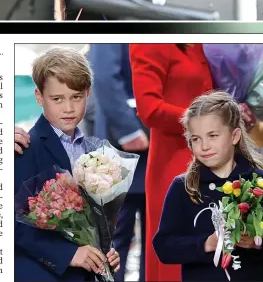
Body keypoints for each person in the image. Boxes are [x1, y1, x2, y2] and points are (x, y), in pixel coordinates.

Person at [153, 91, 263, 281]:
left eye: (213, 135)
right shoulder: (183, 187)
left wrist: (258, 243)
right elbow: (164, 246)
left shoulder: (260, 181)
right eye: (196, 139)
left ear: (234, 136)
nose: (204, 146)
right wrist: (206, 243)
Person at [15, 48, 120, 281]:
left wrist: (104, 250)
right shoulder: (24, 149)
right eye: (57, 99)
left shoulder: (95, 151)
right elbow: (16, 225)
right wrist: (69, 254)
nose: (69, 108)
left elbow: (94, 219)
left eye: (76, 96)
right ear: (39, 97)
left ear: (88, 93)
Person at [130, 44, 214, 282]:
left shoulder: (199, 43)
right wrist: (206, 123)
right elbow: (150, 109)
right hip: (174, 163)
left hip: (212, 161)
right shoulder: (150, 41)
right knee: (177, 259)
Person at [89, 45, 148, 282]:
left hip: (157, 142)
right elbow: (103, 76)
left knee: (157, 240)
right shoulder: (108, 18)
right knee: (113, 242)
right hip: (121, 145)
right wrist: (128, 129)